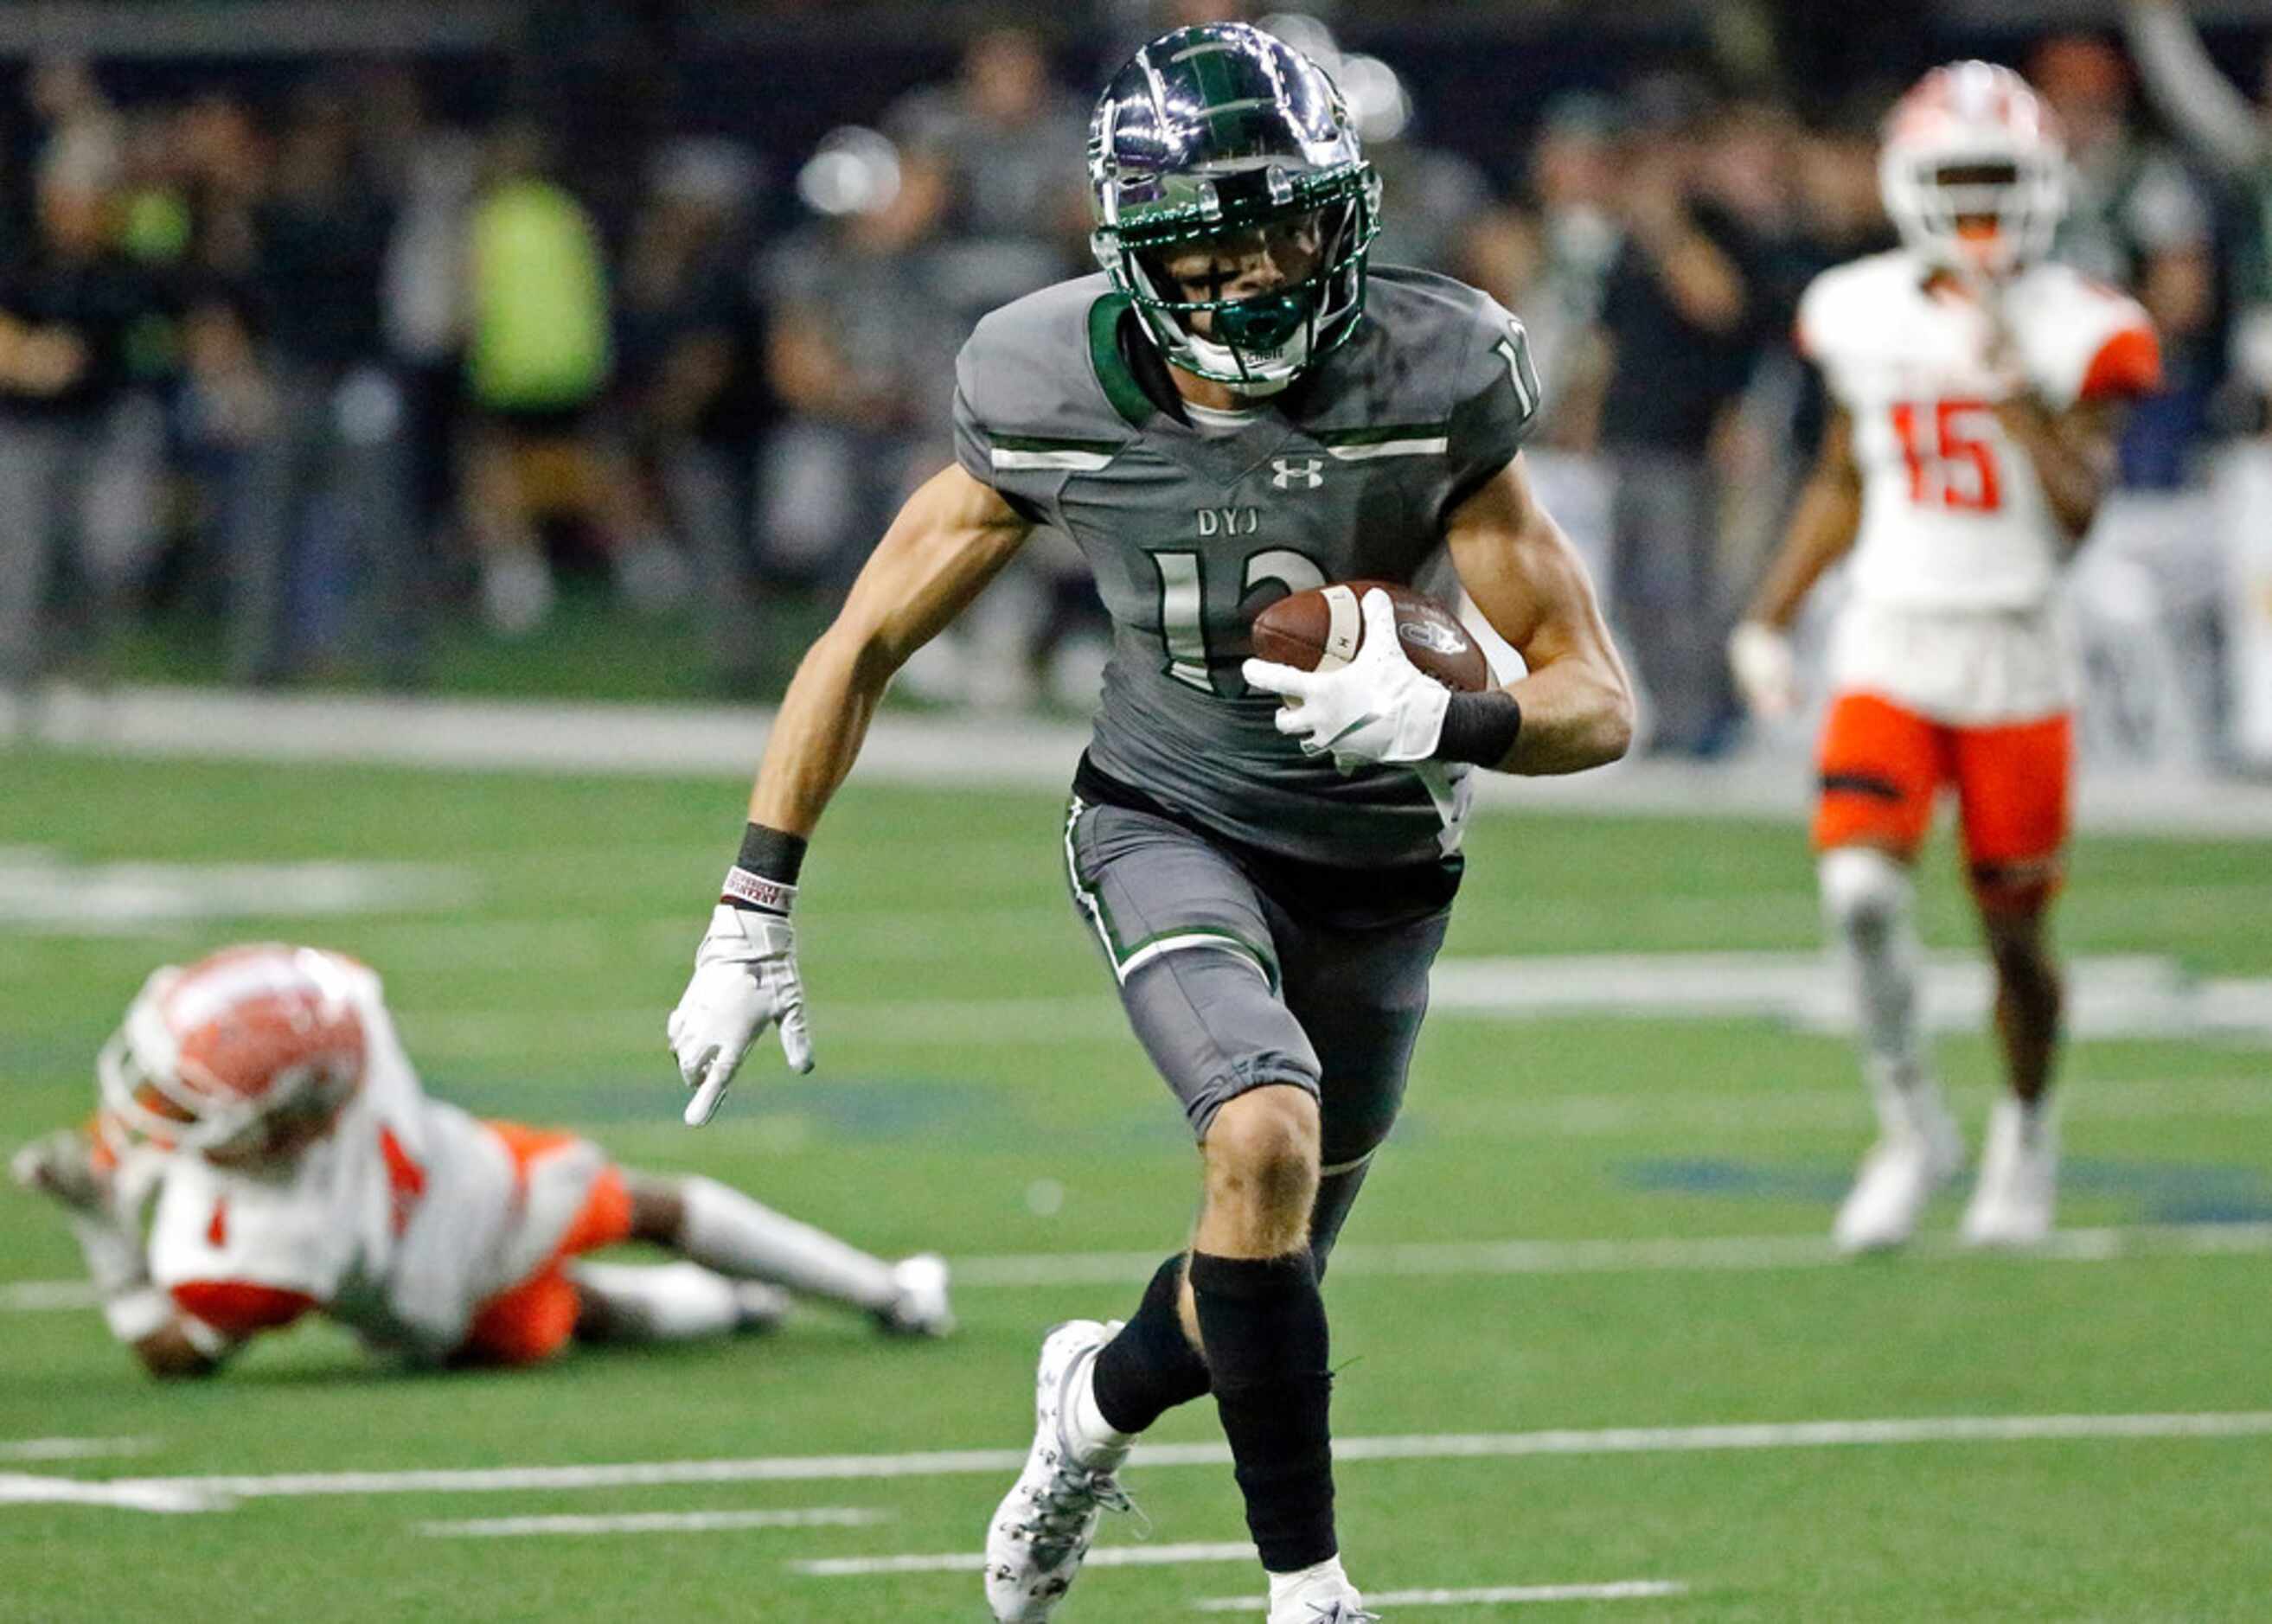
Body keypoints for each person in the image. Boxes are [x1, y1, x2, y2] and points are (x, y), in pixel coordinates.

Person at [663, 25, 1632, 1624]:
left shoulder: (1434, 369)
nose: (1256, 277)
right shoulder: (1045, 379)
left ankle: (1084, 1412)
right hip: (1165, 814)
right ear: (1128, 256)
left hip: (1385, 859)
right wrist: (750, 903)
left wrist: (1447, 718)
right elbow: (860, 639)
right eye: (1209, 244)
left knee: (1258, 1263)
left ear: (1349, 216)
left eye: (1287, 228)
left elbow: (1595, 696)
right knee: (1259, 1137)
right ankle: (1308, 1589)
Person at [1728, 63, 2162, 1255]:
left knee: (2012, 933)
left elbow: (2077, 515)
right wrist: (1765, 613)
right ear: (1908, 184)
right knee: (1858, 892)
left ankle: (2025, 1133)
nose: (1977, 203)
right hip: (1889, 633)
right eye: (1956, 177)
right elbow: (1839, 473)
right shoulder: (1857, 307)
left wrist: (2012, 389)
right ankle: (1911, 1124)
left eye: (1997, 178)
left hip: (2014, 644)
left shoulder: (2085, 324)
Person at [13, 943, 950, 1378]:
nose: (158, 1115)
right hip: (488, 1182)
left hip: (437, 1305)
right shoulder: (353, 1028)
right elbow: (313, 1006)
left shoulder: (280, 1243)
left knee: (581, 1309)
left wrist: (104, 1227)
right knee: (642, 1215)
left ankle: (749, 1305)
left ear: (290, 1123)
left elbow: (178, 1355)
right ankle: (884, 1294)